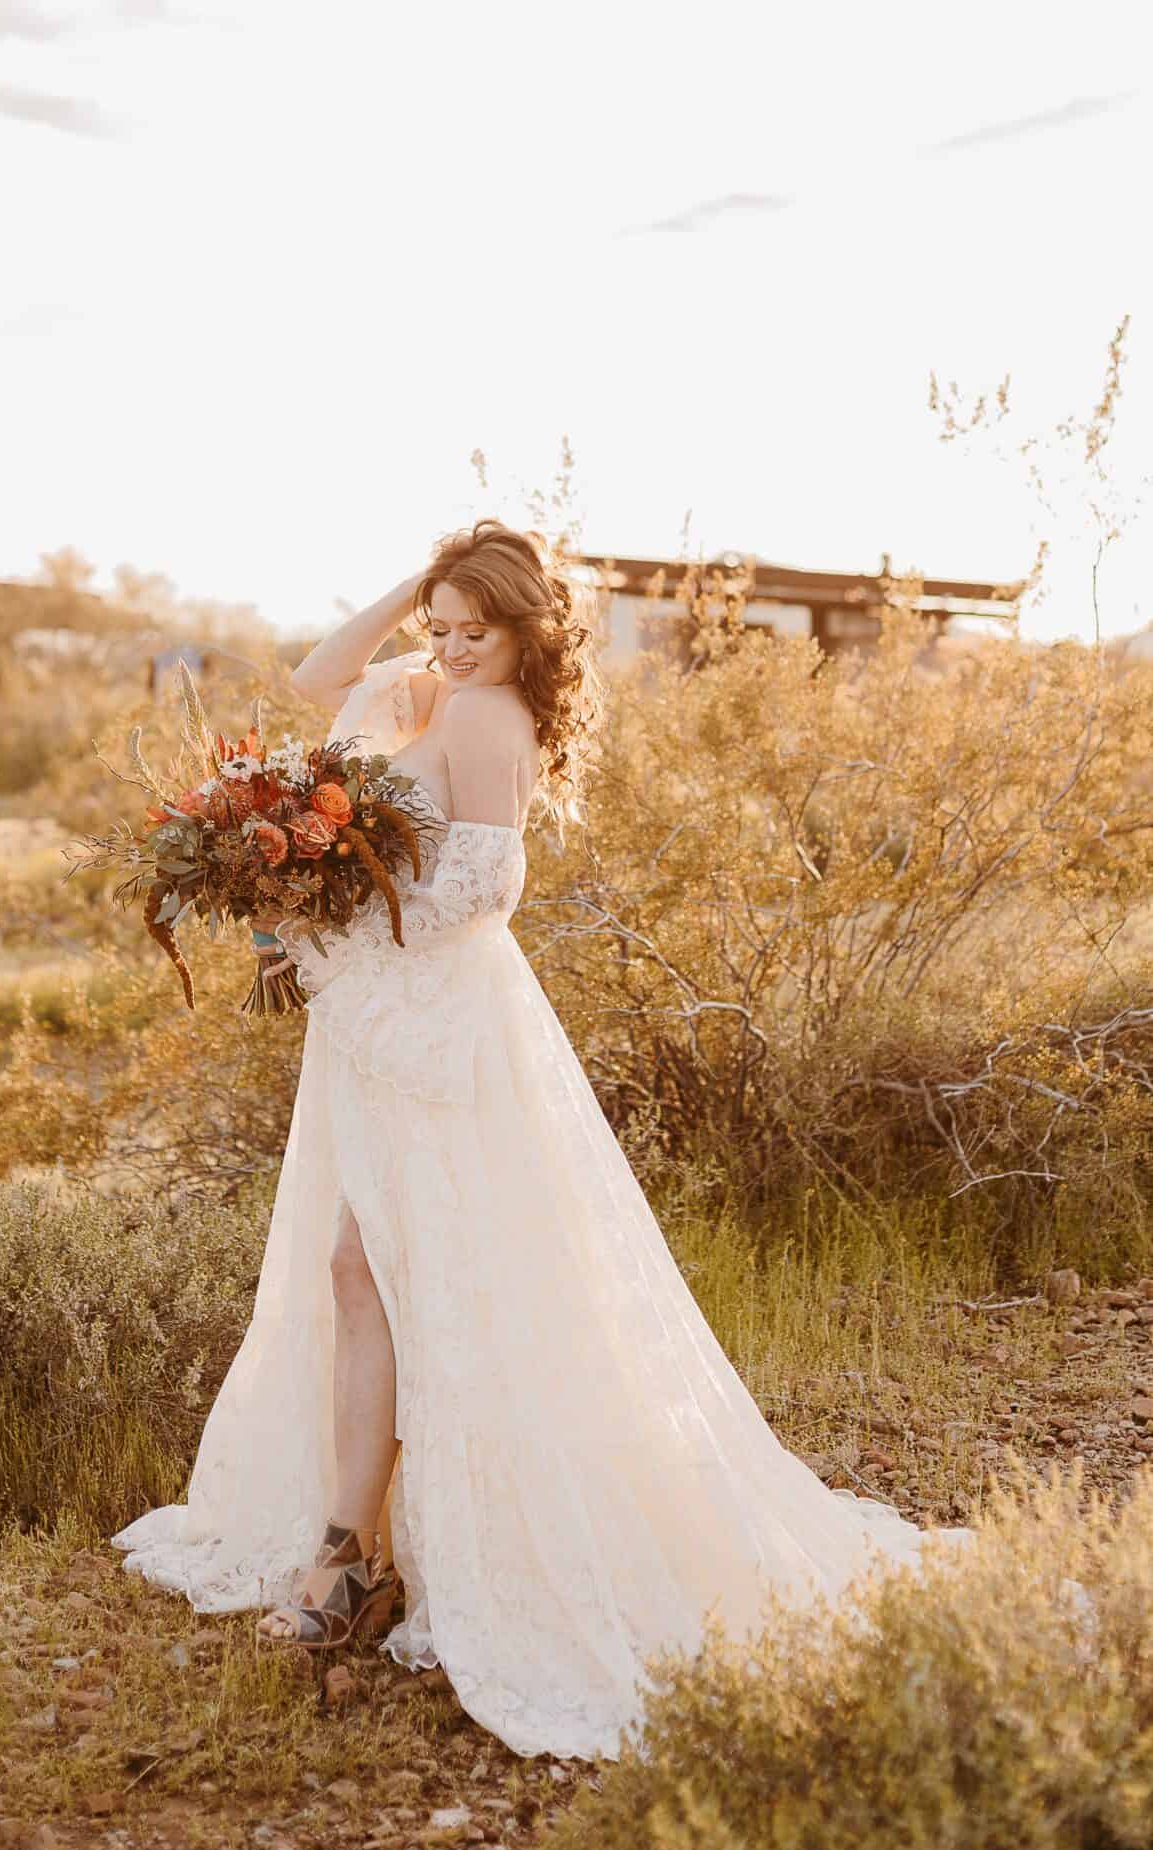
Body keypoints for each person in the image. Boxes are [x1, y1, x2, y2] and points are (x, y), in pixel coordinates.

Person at [112, 518, 971, 1762]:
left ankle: (371, 1552)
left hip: (434, 1030)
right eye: (444, 629)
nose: (454, 649)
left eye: (477, 630)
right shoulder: (421, 681)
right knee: (360, 1270)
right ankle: (356, 1546)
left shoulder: (484, 717)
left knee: (418, 1275)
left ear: (525, 631)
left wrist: (322, 916)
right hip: (373, 1025)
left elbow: (483, 893)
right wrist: (417, 591)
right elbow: (311, 683)